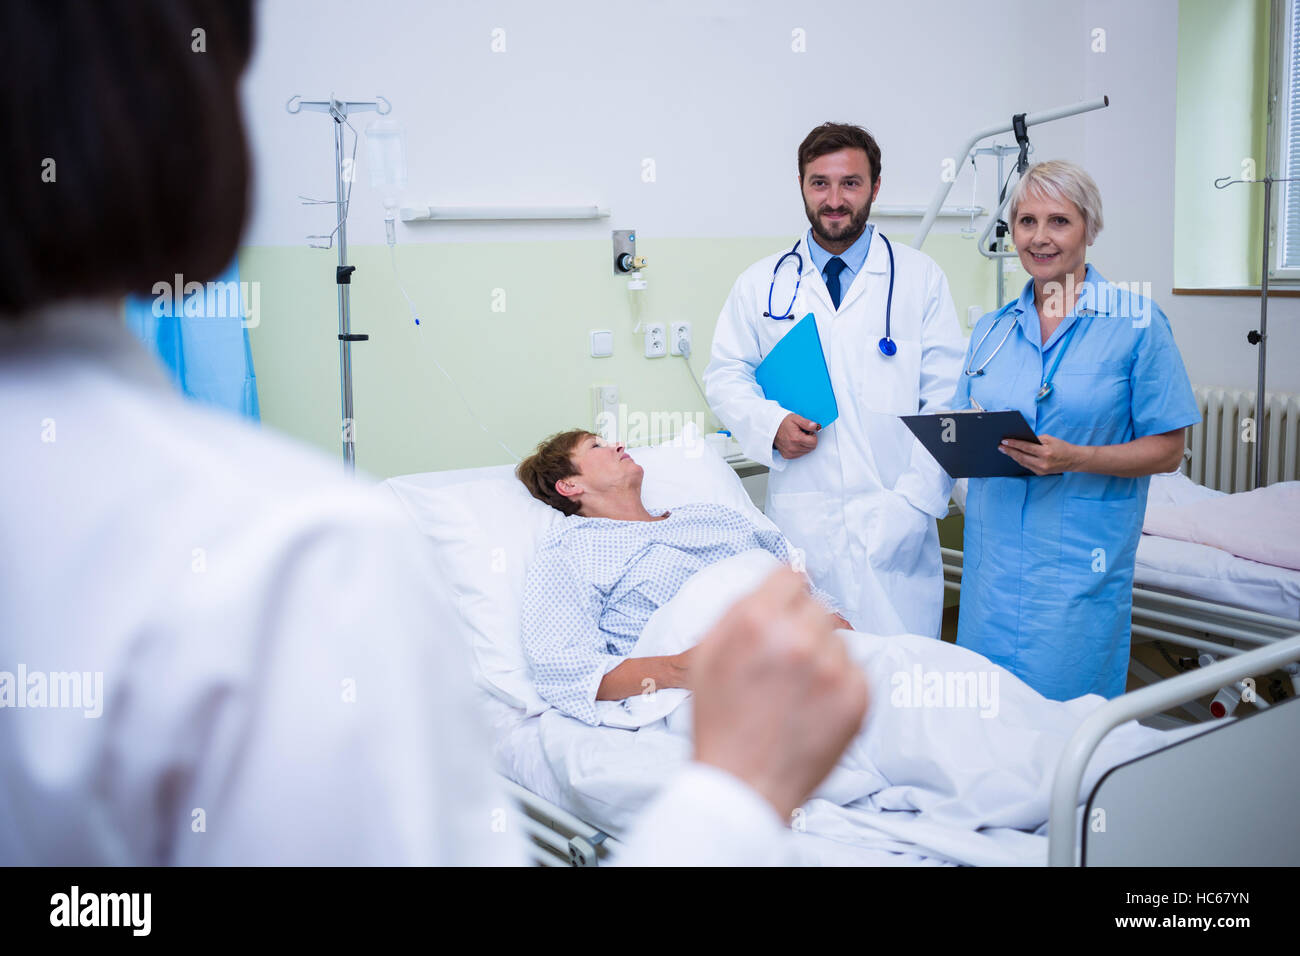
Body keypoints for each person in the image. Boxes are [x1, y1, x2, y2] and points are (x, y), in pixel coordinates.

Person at [0, 0, 869, 866]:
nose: (623, 448)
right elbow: (567, 678)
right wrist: (734, 790)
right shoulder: (292, 549)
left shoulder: (704, 516)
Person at [950, 160, 1200, 701]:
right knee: (983, 728)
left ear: (1089, 228)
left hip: (1076, 573)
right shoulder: (992, 331)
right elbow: (962, 422)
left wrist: (1077, 459)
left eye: (1059, 221)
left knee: (1068, 733)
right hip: (992, 575)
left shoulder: (1137, 325)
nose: (1039, 238)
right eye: (1026, 221)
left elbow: (1169, 450)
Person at [705, 122, 965, 638]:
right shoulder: (761, 283)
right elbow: (725, 376)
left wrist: (914, 504)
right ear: (802, 186)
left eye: (850, 183)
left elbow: (948, 404)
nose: (834, 199)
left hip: (898, 517)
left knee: (903, 682)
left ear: (875, 186)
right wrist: (770, 423)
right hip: (806, 523)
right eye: (819, 183)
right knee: (816, 686)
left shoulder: (919, 279)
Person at [515, 429, 852, 725]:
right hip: (716, 688)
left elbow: (783, 567)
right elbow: (564, 667)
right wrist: (679, 668)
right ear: (569, 484)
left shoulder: (711, 516)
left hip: (807, 648)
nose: (618, 445)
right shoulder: (572, 550)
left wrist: (828, 618)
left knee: (891, 674)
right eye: (596, 445)